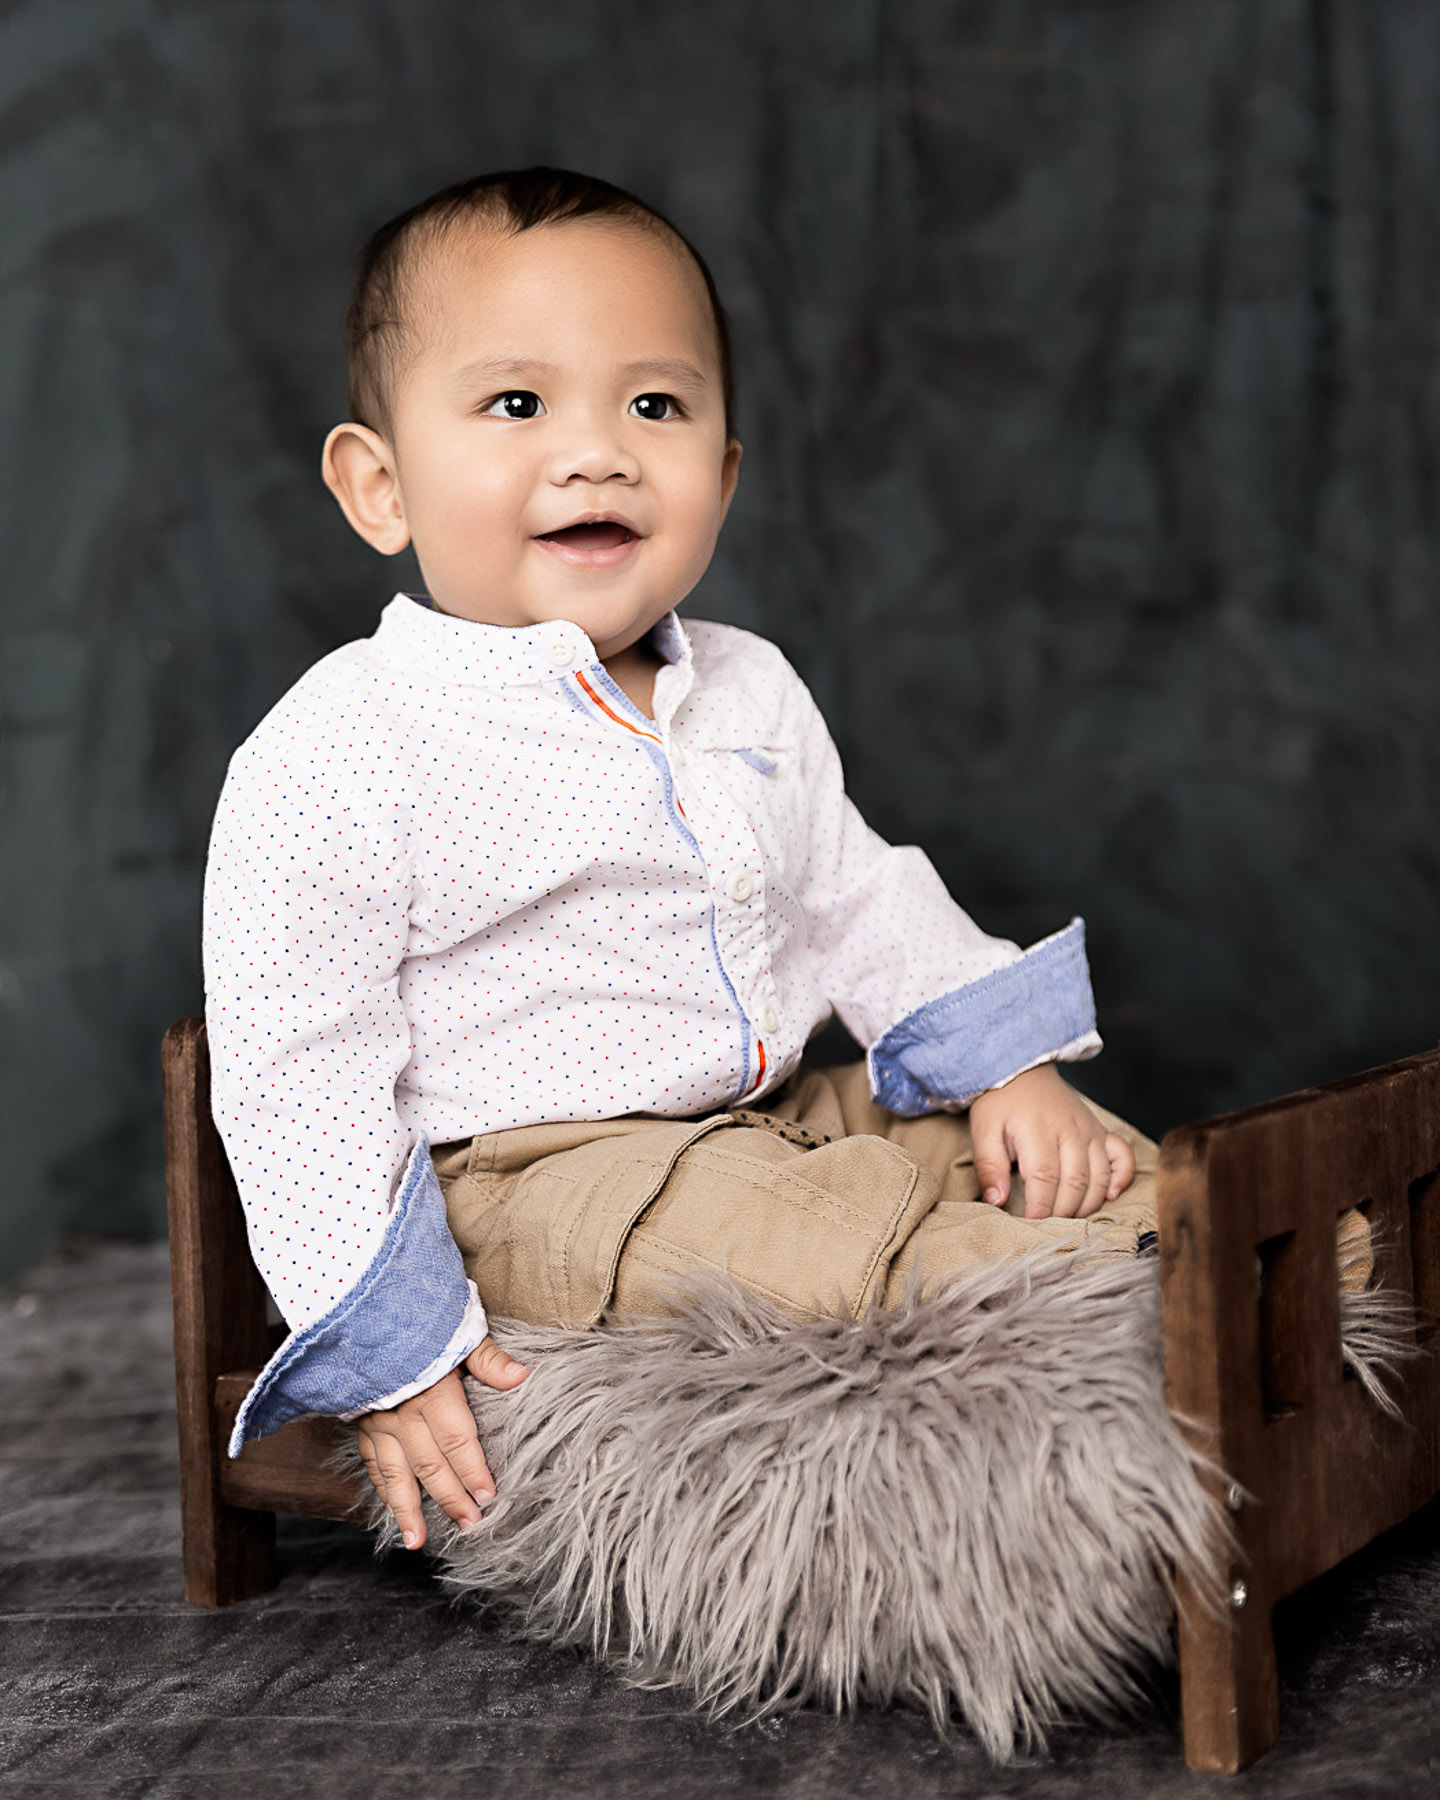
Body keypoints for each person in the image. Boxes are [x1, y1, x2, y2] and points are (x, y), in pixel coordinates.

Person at [203, 167, 1158, 1555]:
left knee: (951, 1143)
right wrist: (396, 1350)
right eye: (517, 404)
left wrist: (1005, 1068)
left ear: (720, 473)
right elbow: (298, 1076)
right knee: (817, 1238)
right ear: (380, 486)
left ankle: (1231, 1231)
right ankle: (1136, 1314)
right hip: (525, 1187)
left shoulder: (751, 689)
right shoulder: (343, 750)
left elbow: (856, 894)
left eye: (654, 405)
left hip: (757, 1117)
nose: (597, 453)